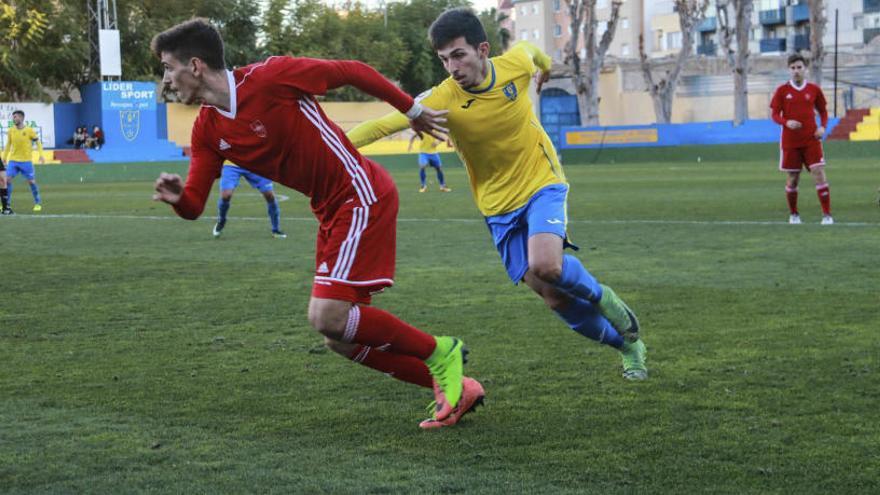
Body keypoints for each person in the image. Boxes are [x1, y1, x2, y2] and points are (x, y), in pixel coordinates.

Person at [150, 18, 483, 429]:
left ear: (195, 65)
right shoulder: (207, 129)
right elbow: (196, 206)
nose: (165, 79)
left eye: (168, 67)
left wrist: (412, 110)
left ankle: (440, 351)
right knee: (338, 338)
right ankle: (457, 386)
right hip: (330, 210)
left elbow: (353, 72)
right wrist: (179, 198)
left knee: (326, 316)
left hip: (360, 193)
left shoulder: (271, 77)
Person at [348, 8, 647, 380]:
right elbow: (381, 125)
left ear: (483, 49)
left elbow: (532, 53)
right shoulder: (441, 99)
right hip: (496, 206)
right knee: (553, 296)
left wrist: (546, 68)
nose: (452, 67)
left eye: (459, 55)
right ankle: (628, 346)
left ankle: (604, 297)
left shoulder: (514, 66)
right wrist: (328, 144)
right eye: (444, 59)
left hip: (541, 181)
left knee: (547, 265)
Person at [770, 54, 833, 225]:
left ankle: (827, 215)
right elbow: (774, 115)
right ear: (789, 70)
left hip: (811, 139)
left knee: (819, 173)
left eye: (799, 67)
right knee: (793, 178)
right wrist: (786, 122)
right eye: (793, 68)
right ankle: (794, 214)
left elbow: (823, 111)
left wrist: (823, 127)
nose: (796, 71)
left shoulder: (814, 89)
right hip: (790, 142)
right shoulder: (782, 91)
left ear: (805, 68)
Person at [212, 163, 287, 239]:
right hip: (231, 164)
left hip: (255, 163)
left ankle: (276, 229)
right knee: (226, 195)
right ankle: (221, 221)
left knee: (269, 196)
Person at [3, 110, 44, 212]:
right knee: (6, 180)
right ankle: (6, 204)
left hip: (26, 161)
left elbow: (38, 143)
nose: (14, 119)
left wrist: (41, 155)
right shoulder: (11, 130)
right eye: (13, 117)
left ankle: (37, 203)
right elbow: (8, 144)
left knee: (31, 182)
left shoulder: (29, 130)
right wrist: (4, 157)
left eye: (15, 117)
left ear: (21, 118)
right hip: (13, 160)